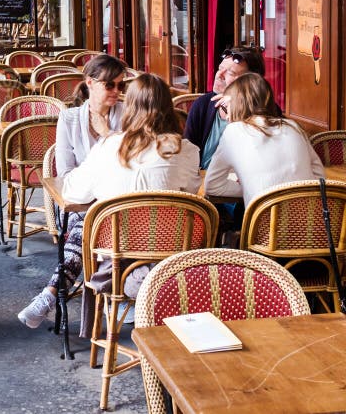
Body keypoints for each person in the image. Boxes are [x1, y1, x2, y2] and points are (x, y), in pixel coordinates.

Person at [18, 72, 200, 331]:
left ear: (130, 107)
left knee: (88, 218)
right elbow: (190, 192)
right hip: (171, 254)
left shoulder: (111, 146)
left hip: (116, 252)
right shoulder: (188, 150)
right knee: (99, 219)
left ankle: (61, 292)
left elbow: (71, 193)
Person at [17, 54, 127, 328]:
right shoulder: (69, 118)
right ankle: (100, 292)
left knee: (89, 226)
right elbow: (65, 174)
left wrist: (106, 139)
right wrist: (106, 150)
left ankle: (50, 293)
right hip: (79, 199)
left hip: (116, 200)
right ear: (90, 82)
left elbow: (129, 164)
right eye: (110, 85)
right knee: (87, 223)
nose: (117, 91)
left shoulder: (125, 115)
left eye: (120, 86)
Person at [204, 73, 324, 206]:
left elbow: (212, 185)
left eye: (227, 107)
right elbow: (319, 177)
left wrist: (251, 188)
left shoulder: (233, 131)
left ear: (238, 104)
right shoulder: (293, 126)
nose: (226, 116)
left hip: (263, 223)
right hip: (309, 222)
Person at [184, 46, 267, 169]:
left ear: (251, 83)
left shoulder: (264, 112)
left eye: (230, 73)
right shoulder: (202, 105)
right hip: (203, 182)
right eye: (220, 68)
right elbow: (187, 155)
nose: (219, 75)